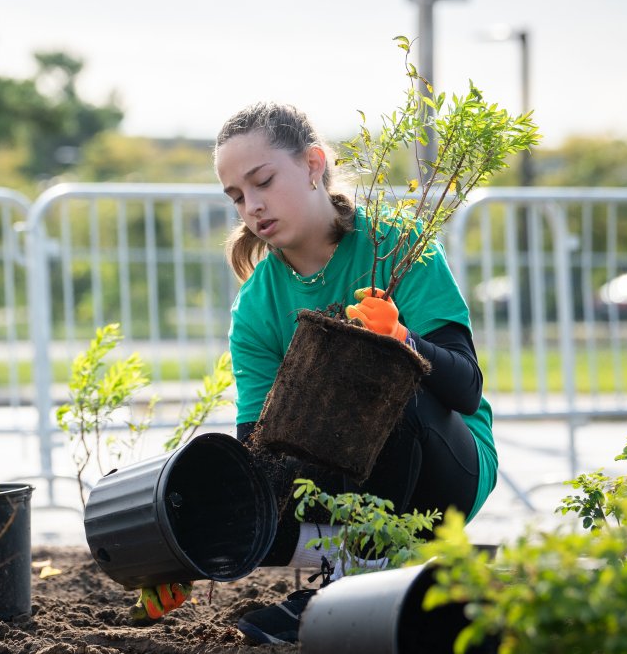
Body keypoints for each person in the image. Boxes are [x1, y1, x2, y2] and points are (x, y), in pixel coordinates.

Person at [131, 101, 497, 644]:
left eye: (262, 182)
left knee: (378, 380)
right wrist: (195, 547)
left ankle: (345, 586)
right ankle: (373, 568)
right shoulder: (256, 306)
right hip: (337, 484)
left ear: (312, 165)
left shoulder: (399, 245)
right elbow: (259, 452)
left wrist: (401, 340)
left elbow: (465, 388)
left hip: (442, 473)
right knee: (216, 498)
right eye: (237, 197)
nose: (253, 206)